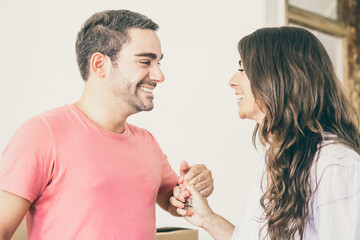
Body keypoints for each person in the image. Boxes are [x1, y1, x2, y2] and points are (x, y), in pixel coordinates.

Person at [0, 10, 214, 240]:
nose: (159, 75)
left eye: (158, 62)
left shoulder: (147, 142)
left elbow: (175, 202)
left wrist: (193, 187)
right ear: (100, 64)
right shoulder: (42, 134)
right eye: (145, 61)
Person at [171, 26, 360, 240]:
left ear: (278, 77)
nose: (232, 81)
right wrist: (207, 219)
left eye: (243, 70)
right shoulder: (278, 158)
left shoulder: (335, 165)